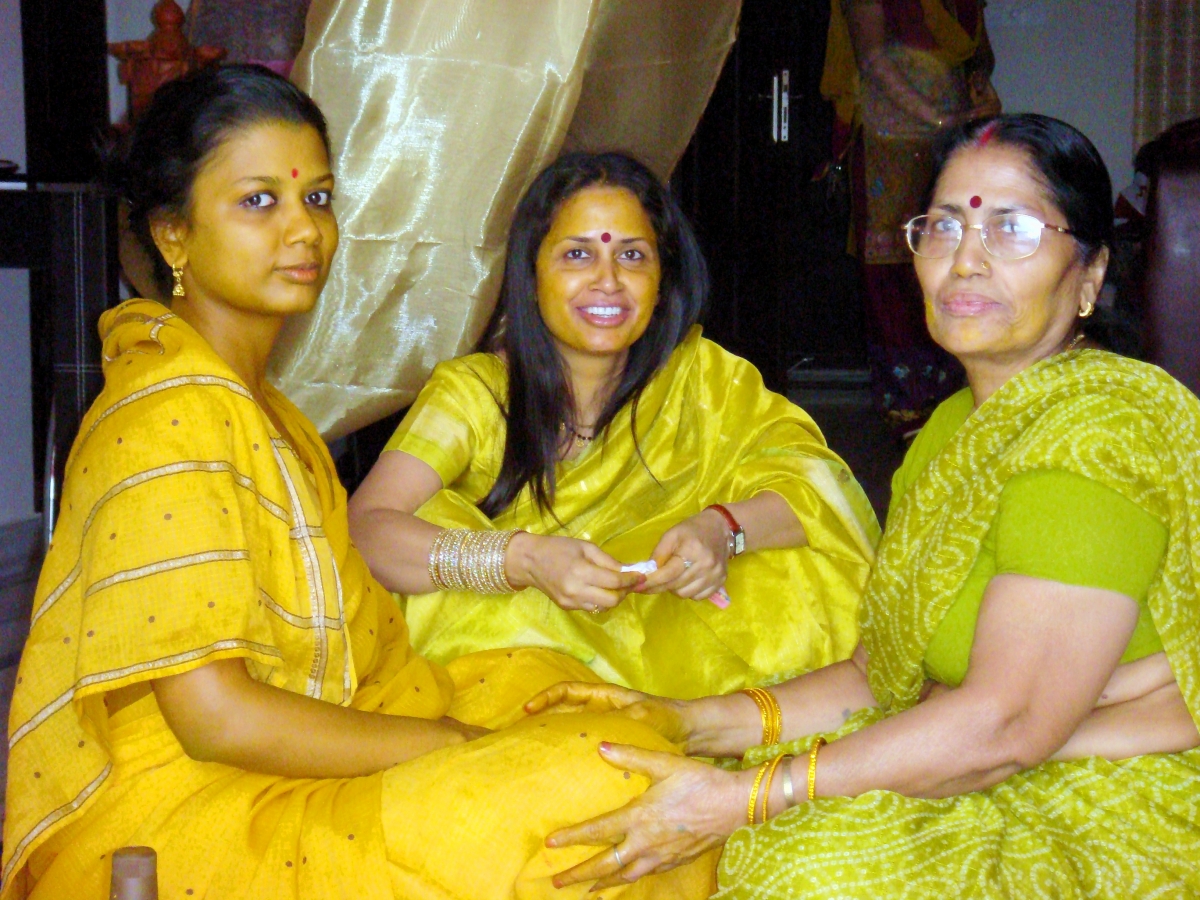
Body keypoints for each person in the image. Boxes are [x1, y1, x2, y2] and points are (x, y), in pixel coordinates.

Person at [1, 65, 718, 900]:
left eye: (318, 198)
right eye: (259, 201)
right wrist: (448, 746)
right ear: (172, 236)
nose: (304, 231)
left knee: (595, 725)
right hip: (196, 808)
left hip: (312, 735)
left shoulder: (263, 408)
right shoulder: (164, 418)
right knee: (604, 798)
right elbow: (216, 719)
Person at [527, 115, 1200, 897]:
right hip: (1005, 755)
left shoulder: (1097, 433)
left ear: (1088, 276)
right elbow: (878, 677)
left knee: (793, 862)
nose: (967, 260)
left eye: (1011, 228)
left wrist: (747, 797)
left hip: (1124, 806)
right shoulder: (951, 430)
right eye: (944, 225)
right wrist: (686, 719)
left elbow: (1007, 725)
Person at [347, 152, 880, 700]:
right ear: (531, 276)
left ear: (662, 277)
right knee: (434, 534)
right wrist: (525, 560)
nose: (608, 281)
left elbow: (821, 489)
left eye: (632, 256)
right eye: (577, 255)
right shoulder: (476, 392)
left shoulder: (702, 380)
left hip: (670, 638)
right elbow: (365, 529)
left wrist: (721, 531)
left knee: (795, 573)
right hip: (529, 655)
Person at [821, 0, 1002, 436]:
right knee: (894, 265)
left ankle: (957, 397)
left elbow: (975, 63)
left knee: (956, 255)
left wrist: (973, 113)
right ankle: (907, 405)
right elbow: (875, 61)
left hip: (952, 142)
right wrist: (941, 119)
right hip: (894, 143)